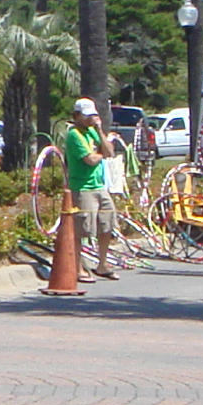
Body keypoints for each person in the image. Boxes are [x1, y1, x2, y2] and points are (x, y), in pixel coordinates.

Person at [62, 96, 123, 281]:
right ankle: (78, 267)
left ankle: (102, 264)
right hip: (82, 187)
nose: (90, 119)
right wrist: (100, 154)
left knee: (106, 224)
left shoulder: (91, 131)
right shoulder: (74, 135)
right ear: (77, 115)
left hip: (100, 186)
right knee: (82, 229)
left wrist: (99, 130)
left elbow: (110, 152)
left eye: (93, 116)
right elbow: (89, 160)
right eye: (87, 116)